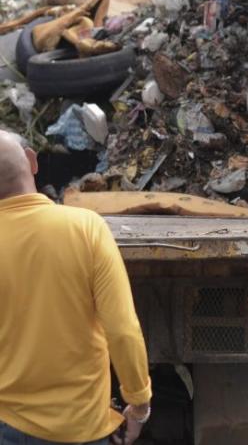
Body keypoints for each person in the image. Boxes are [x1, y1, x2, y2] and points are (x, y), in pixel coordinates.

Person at [0, 130, 152, 445]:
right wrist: (138, 403)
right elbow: (123, 329)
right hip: (82, 427)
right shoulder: (85, 228)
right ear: (32, 161)